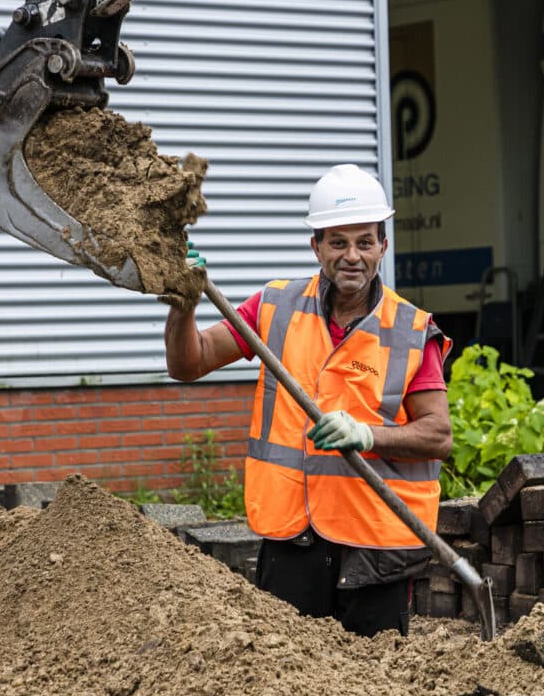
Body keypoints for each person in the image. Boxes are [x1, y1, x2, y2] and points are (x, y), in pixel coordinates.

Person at [161, 164, 452, 637]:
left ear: (383, 245)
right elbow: (189, 363)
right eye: (338, 242)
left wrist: (367, 434)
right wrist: (184, 302)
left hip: (375, 550)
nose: (352, 255)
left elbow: (437, 435)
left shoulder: (411, 330)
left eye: (364, 241)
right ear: (316, 246)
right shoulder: (275, 307)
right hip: (292, 541)